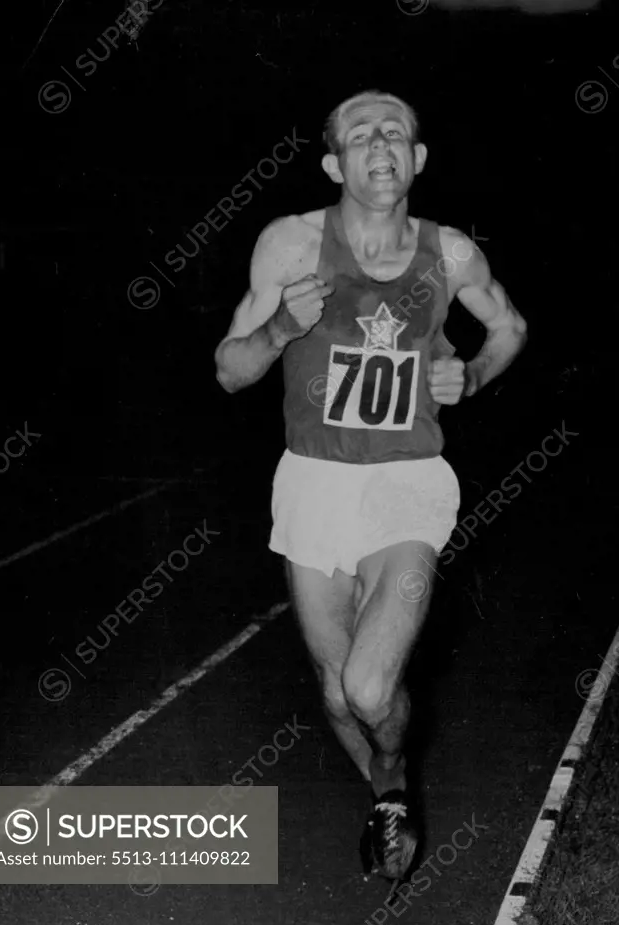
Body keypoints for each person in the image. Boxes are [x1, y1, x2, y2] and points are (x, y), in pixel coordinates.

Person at [215, 90, 527, 881]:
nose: (380, 144)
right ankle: (384, 786)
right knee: (336, 693)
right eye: (360, 136)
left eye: (396, 133)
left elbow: (509, 328)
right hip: (313, 484)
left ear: (417, 159)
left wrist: (475, 372)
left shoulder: (449, 254)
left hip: (406, 486)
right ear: (334, 163)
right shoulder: (289, 244)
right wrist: (281, 329)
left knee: (368, 680)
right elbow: (228, 371)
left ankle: (391, 784)